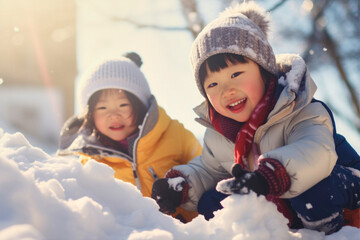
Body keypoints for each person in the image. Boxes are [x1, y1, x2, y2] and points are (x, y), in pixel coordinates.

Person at [151, 2, 360, 234]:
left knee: (313, 191)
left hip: (345, 190)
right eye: (213, 84)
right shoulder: (220, 133)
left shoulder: (299, 109)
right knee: (213, 202)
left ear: (265, 70)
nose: (226, 90)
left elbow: (316, 151)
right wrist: (182, 185)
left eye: (235, 74)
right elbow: (209, 170)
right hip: (285, 203)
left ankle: (333, 236)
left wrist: (274, 173)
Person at [57, 52, 202, 223]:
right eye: (102, 108)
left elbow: (205, 170)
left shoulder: (174, 134)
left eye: (123, 105)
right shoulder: (90, 161)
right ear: (89, 114)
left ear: (140, 105)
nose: (113, 114)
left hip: (182, 232)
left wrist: (183, 189)